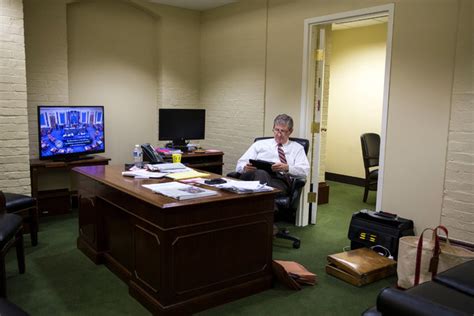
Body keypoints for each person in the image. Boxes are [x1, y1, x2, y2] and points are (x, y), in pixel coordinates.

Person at [236, 114, 310, 195]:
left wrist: (287, 168)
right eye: (276, 130)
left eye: (282, 131)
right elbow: (240, 164)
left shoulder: (297, 148)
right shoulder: (259, 144)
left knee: (261, 176)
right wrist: (245, 168)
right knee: (260, 173)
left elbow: (304, 171)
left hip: (278, 181)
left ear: (290, 131)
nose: (278, 134)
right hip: (252, 177)